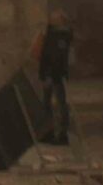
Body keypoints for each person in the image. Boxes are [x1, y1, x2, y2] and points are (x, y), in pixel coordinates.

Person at [35, 8, 75, 143]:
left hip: (55, 74)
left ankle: (61, 133)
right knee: (48, 104)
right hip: (50, 73)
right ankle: (48, 132)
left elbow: (55, 56)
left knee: (60, 104)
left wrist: (49, 75)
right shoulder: (52, 34)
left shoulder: (61, 36)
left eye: (55, 17)